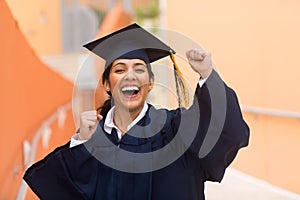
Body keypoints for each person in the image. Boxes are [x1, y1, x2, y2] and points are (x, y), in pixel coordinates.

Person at [23, 23, 249, 200]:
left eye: (139, 69)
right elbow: (61, 189)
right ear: (108, 85)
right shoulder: (94, 140)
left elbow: (227, 130)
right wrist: (81, 142)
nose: (130, 75)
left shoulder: (176, 129)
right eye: (120, 69)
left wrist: (207, 75)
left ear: (150, 83)